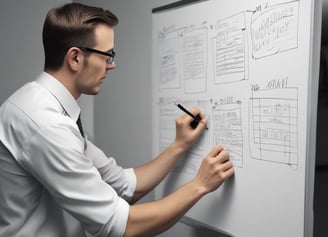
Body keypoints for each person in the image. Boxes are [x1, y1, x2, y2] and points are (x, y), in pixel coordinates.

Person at [0, 3, 234, 237]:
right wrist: (200, 184)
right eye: (107, 55)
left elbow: (125, 186)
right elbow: (122, 226)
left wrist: (179, 145)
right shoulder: (45, 124)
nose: (113, 65)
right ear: (75, 58)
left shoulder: (49, 109)